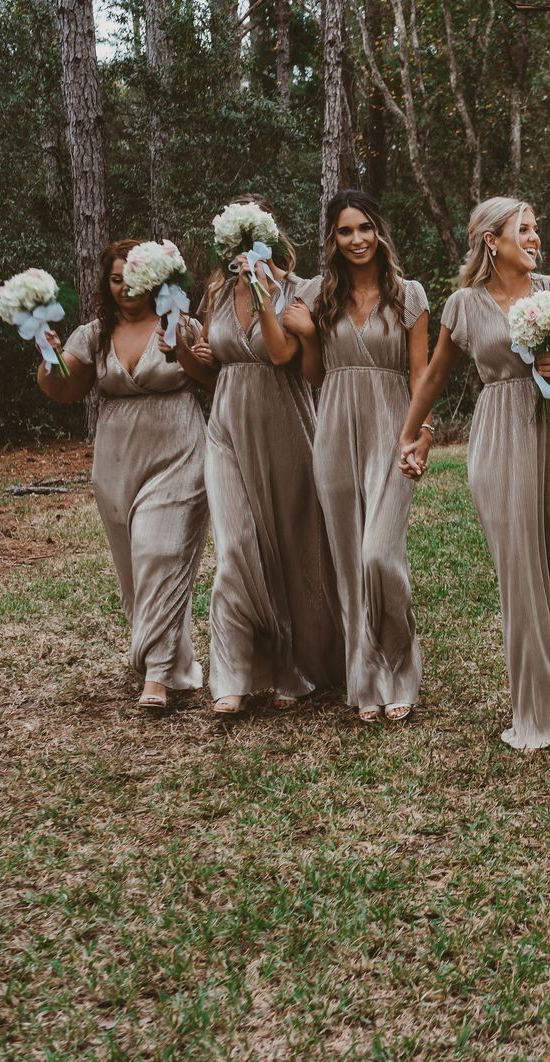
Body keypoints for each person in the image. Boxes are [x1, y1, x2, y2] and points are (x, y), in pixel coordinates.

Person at [398, 198, 550, 751]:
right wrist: (411, 436)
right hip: (500, 434)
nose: (534, 238)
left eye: (536, 229)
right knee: (521, 571)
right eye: (523, 229)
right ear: (490, 241)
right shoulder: (464, 304)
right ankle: (537, 712)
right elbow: (433, 378)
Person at [38, 239, 210, 711]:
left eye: (134, 280)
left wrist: (179, 346)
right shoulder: (93, 334)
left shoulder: (182, 321)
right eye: (117, 280)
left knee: (162, 551)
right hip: (116, 461)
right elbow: (65, 391)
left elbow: (211, 378)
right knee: (136, 569)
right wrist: (48, 355)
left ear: (155, 280)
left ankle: (154, 675)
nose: (125, 289)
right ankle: (171, 661)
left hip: (178, 449)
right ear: (105, 283)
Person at [280, 189, 428, 723]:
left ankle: (401, 670)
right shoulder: (321, 295)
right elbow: (316, 375)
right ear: (333, 239)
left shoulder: (408, 295)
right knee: (348, 562)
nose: (357, 239)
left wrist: (422, 434)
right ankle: (366, 680)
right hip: (335, 431)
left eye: (364, 228)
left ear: (379, 231)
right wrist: (306, 336)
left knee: (379, 555)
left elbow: (421, 376)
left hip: (394, 430)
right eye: (345, 231)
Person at [192, 195, 343, 715]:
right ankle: (231, 672)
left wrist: (261, 290)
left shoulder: (303, 292)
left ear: (270, 236)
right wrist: (194, 357)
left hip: (288, 424)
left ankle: (296, 665)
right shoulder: (215, 291)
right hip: (227, 425)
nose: (239, 249)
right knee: (234, 543)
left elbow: (284, 356)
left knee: (294, 545)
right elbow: (213, 369)